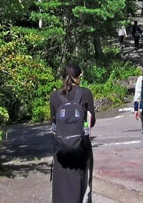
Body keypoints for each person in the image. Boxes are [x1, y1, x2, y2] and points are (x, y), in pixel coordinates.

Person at [50, 63, 96, 203]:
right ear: (79, 77)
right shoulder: (85, 93)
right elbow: (92, 120)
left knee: (61, 189)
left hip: (61, 149)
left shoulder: (54, 96)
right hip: (81, 147)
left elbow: (53, 122)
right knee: (83, 187)